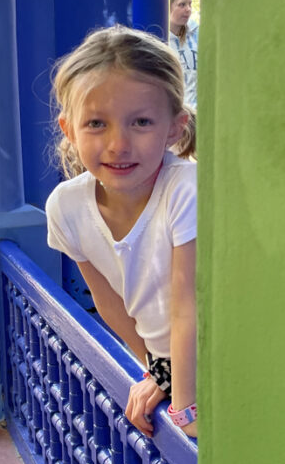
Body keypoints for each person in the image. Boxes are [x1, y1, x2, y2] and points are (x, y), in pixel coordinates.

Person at [46, 26, 197, 440]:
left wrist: (185, 410)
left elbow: (188, 307)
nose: (118, 144)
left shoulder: (185, 189)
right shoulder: (66, 208)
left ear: (174, 127)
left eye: (141, 122)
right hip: (180, 368)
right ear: (69, 129)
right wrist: (157, 372)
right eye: (96, 123)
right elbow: (110, 302)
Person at [168, 0, 198, 110]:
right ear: (168, 7)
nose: (188, 9)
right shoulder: (161, 39)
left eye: (190, 4)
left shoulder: (197, 34)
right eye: (182, 5)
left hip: (197, 113)